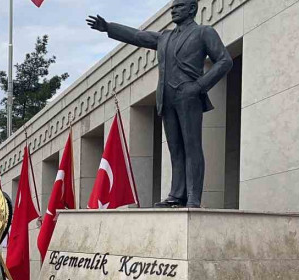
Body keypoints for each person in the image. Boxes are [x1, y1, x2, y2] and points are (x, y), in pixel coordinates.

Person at [87, 0, 232, 208]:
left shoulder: (204, 32)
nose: (173, 11)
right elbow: (138, 37)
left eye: (178, 7)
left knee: (192, 147)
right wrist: (109, 27)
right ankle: (176, 194)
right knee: (175, 149)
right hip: (166, 98)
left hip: (189, 95)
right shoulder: (165, 37)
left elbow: (225, 61)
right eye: (172, 7)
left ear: (192, 9)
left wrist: (199, 86)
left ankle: (193, 197)